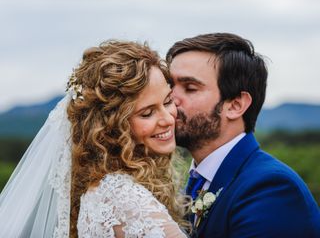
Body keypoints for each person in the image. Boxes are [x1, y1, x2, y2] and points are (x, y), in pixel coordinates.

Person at [0, 40, 190, 237]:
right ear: (111, 127)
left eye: (168, 101)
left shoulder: (100, 188)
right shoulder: (124, 198)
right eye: (147, 113)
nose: (168, 119)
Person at [166, 33, 320, 237]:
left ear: (235, 105)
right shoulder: (197, 180)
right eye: (169, 86)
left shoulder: (271, 189)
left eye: (190, 88)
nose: (170, 99)